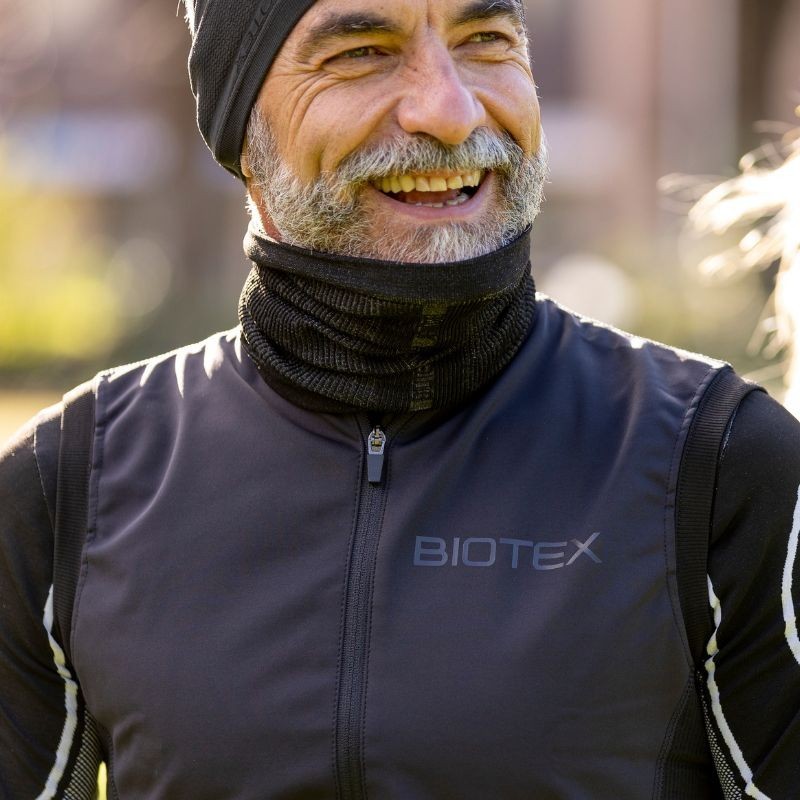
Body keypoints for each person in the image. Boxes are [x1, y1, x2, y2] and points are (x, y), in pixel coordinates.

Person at [1, 1, 799, 798]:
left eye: (485, 41)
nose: (449, 111)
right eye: (361, 53)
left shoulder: (721, 465)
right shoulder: (69, 489)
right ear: (238, 120)